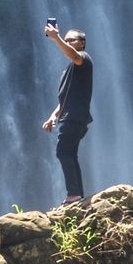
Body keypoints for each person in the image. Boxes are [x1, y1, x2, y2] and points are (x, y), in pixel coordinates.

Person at [42, 22, 93, 205]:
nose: (68, 42)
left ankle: (73, 194)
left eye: (72, 39)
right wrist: (53, 117)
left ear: (82, 43)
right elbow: (65, 100)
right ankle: (77, 194)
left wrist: (56, 38)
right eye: (67, 39)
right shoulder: (69, 71)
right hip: (72, 117)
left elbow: (75, 56)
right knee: (70, 154)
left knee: (63, 152)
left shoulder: (84, 59)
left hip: (74, 118)